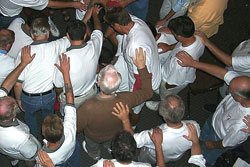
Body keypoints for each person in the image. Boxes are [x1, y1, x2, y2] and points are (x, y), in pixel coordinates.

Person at [77, 47, 153, 160]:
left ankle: (95, 155)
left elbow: (77, 127)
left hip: (93, 137)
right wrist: (142, 67)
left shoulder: (87, 107)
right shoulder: (125, 99)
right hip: (114, 135)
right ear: (118, 85)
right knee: (111, 142)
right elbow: (148, 92)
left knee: (92, 146)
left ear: (98, 83)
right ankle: (110, 147)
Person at [177, 51, 250, 165]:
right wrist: (193, 63)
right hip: (216, 119)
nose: (227, 89)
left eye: (230, 89)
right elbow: (223, 73)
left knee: (205, 157)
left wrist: (212, 145)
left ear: (240, 98)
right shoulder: (241, 85)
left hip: (217, 138)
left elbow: (228, 143)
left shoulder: (243, 123)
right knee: (201, 137)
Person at [14, 17, 71, 137]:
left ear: (32, 35)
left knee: (30, 117)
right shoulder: (56, 46)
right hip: (49, 95)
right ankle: (47, 135)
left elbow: (18, 83)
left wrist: (18, 99)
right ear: (48, 33)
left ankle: (34, 137)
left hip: (29, 97)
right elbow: (70, 37)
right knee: (49, 116)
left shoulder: (23, 52)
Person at [105, 7, 161, 120]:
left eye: (112, 26)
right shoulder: (135, 20)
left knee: (135, 109)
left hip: (145, 82)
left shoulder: (135, 47)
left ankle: (133, 125)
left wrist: (133, 98)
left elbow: (140, 79)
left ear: (117, 26)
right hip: (151, 68)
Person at [113, 95, 200, 164]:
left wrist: (125, 119)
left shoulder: (154, 135)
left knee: (144, 159)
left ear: (164, 118)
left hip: (152, 156)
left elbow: (132, 140)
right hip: (177, 155)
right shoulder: (194, 127)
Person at [146, 16, 204, 111]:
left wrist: (165, 88)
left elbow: (173, 82)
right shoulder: (198, 38)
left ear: (179, 36)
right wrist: (169, 47)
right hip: (179, 72)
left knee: (166, 97)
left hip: (170, 81)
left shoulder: (180, 62)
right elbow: (180, 44)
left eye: (173, 32)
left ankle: (161, 105)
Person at [53, 5, 103, 115]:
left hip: (72, 99)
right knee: (88, 116)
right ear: (85, 35)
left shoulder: (63, 59)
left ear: (67, 36)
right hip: (91, 93)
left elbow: (57, 86)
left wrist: (59, 96)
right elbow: (98, 30)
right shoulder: (94, 46)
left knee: (68, 119)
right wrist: (94, 14)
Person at [36, 54, 80, 167]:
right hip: (72, 148)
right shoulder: (69, 128)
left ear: (43, 134)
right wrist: (66, 73)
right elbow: (70, 98)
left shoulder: (43, 157)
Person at [0, 46, 40, 167]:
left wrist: (23, 64)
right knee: (29, 157)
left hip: (3, 147)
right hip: (17, 148)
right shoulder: (21, 137)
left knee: (7, 152)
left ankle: (13, 161)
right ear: (14, 115)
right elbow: (31, 154)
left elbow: (6, 85)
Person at [195, 31, 250, 97]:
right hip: (234, 66)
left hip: (237, 77)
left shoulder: (236, 81)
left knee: (226, 94)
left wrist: (206, 42)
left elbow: (229, 62)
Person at [0, 0, 86, 29]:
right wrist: (73, 4)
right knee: (10, 30)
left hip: (11, 6)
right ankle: (48, 19)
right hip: (8, 15)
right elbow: (51, 4)